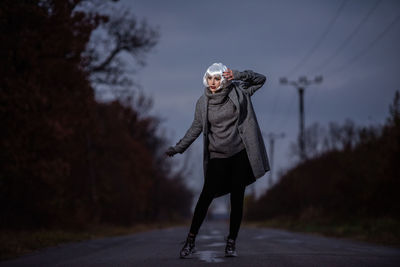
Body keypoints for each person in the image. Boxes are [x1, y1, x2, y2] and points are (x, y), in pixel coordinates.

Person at [165, 62, 270, 258]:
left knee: (237, 199)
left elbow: (261, 79)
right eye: (210, 78)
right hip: (217, 157)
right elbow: (195, 129)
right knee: (205, 198)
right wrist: (178, 148)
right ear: (206, 79)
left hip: (239, 154)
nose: (213, 83)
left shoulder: (239, 92)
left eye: (217, 78)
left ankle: (231, 242)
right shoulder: (202, 103)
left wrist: (238, 74)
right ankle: (190, 240)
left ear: (224, 79)